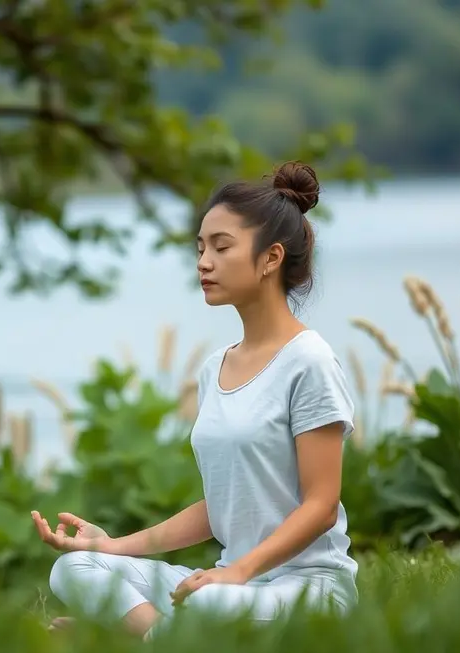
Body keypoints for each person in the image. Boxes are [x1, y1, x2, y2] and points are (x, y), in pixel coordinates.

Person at [30, 160, 359, 640]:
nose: (204, 261)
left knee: (206, 602)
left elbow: (322, 505)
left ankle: (127, 636)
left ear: (270, 258)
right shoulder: (215, 368)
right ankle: (158, 637)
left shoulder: (309, 361)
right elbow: (221, 505)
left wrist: (239, 572)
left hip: (306, 587)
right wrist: (114, 546)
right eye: (201, 247)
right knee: (75, 570)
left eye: (222, 247)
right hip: (228, 585)